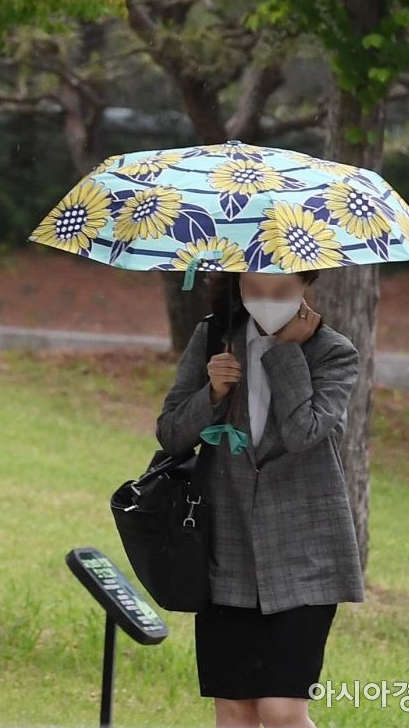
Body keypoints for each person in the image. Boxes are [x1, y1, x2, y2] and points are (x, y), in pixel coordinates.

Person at [155, 268, 365, 728]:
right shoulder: (213, 337)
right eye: (254, 289)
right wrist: (211, 392)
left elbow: (303, 432)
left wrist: (287, 352)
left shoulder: (334, 352)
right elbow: (171, 435)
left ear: (306, 284)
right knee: (234, 709)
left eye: (281, 290)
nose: (267, 299)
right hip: (225, 551)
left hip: (305, 554)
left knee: (282, 710)